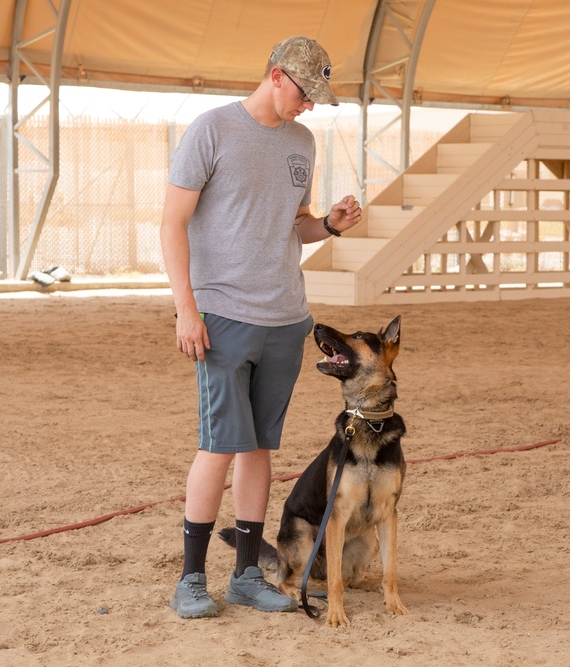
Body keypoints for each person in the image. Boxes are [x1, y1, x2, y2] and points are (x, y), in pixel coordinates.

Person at [160, 35, 363, 619]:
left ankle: (248, 572)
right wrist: (187, 309)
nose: (310, 106)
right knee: (219, 446)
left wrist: (328, 223)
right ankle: (191, 579)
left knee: (258, 446)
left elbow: (291, 226)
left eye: (317, 98)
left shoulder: (302, 143)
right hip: (223, 315)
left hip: (285, 319)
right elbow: (172, 223)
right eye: (305, 94)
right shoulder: (212, 130)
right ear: (276, 76)